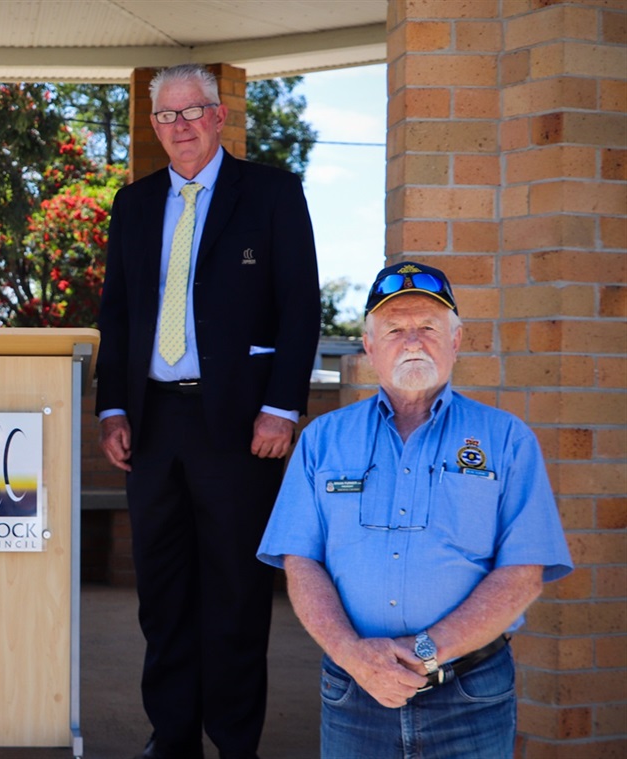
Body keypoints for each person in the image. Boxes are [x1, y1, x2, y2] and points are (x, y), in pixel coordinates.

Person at [257, 261, 573, 758]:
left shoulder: (507, 439)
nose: (412, 341)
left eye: (428, 327)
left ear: (456, 341)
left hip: (469, 694)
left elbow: (524, 574)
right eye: (395, 329)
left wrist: (423, 652)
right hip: (353, 689)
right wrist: (354, 656)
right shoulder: (323, 439)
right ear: (369, 346)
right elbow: (300, 561)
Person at [95, 63, 320, 759]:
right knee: (162, 595)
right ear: (154, 127)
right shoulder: (133, 205)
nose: (182, 125)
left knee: (234, 594)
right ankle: (172, 740)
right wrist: (111, 407)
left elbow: (301, 305)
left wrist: (281, 407)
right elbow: (121, 312)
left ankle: (234, 743)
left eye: (195, 111)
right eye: (168, 115)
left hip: (240, 426)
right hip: (153, 425)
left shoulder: (272, 194)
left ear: (220, 118)